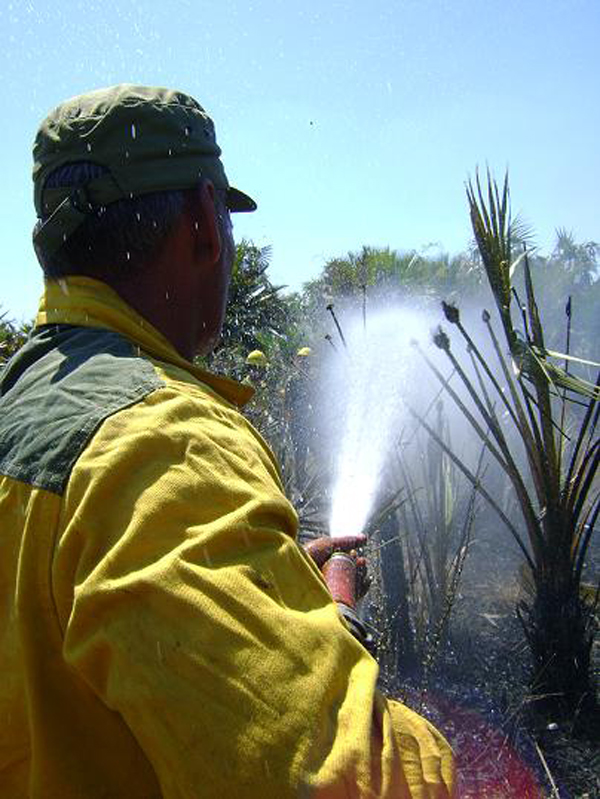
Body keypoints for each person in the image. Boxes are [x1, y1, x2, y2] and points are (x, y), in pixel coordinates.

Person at [0, 84, 455, 798]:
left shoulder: (18, 405)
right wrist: (338, 630)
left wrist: (273, 588)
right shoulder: (166, 447)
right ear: (206, 225)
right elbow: (346, 782)